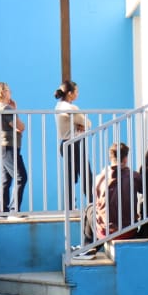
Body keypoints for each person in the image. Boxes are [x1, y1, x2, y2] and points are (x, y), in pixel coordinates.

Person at [83, 143, 141, 245]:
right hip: (129, 231)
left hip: (105, 233)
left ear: (111, 158)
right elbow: (146, 190)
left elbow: (97, 202)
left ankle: (88, 246)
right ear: (125, 159)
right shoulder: (134, 176)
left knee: (89, 208)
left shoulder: (99, 178)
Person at [0, 81, 27, 212]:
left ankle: (3, 211)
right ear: (2, 92)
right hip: (8, 145)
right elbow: (20, 126)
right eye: (8, 90)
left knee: (5, 180)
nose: (11, 93)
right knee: (21, 176)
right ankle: (14, 209)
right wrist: (15, 111)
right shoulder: (5, 108)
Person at [54, 80, 92, 210]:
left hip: (66, 143)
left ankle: (70, 206)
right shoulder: (70, 108)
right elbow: (87, 123)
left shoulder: (59, 106)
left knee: (71, 176)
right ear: (70, 93)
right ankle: (92, 204)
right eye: (76, 91)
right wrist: (82, 125)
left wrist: (80, 124)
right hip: (74, 143)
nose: (78, 94)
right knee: (86, 174)